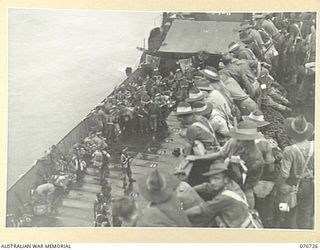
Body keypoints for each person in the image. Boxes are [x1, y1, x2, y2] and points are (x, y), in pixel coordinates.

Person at [185, 161, 262, 228]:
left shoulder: (225, 197)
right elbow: (206, 186)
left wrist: (181, 213)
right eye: (211, 178)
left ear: (226, 179)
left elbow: (202, 209)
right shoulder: (230, 184)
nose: (212, 182)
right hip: (242, 220)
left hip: (242, 230)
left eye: (216, 178)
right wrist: (189, 189)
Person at [276, 115, 314, 229]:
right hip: (310, 183)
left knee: (289, 211)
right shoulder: (315, 145)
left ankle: (291, 234)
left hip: (292, 184)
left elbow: (284, 174)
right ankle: (306, 232)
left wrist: (279, 186)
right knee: (306, 211)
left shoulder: (290, 150)